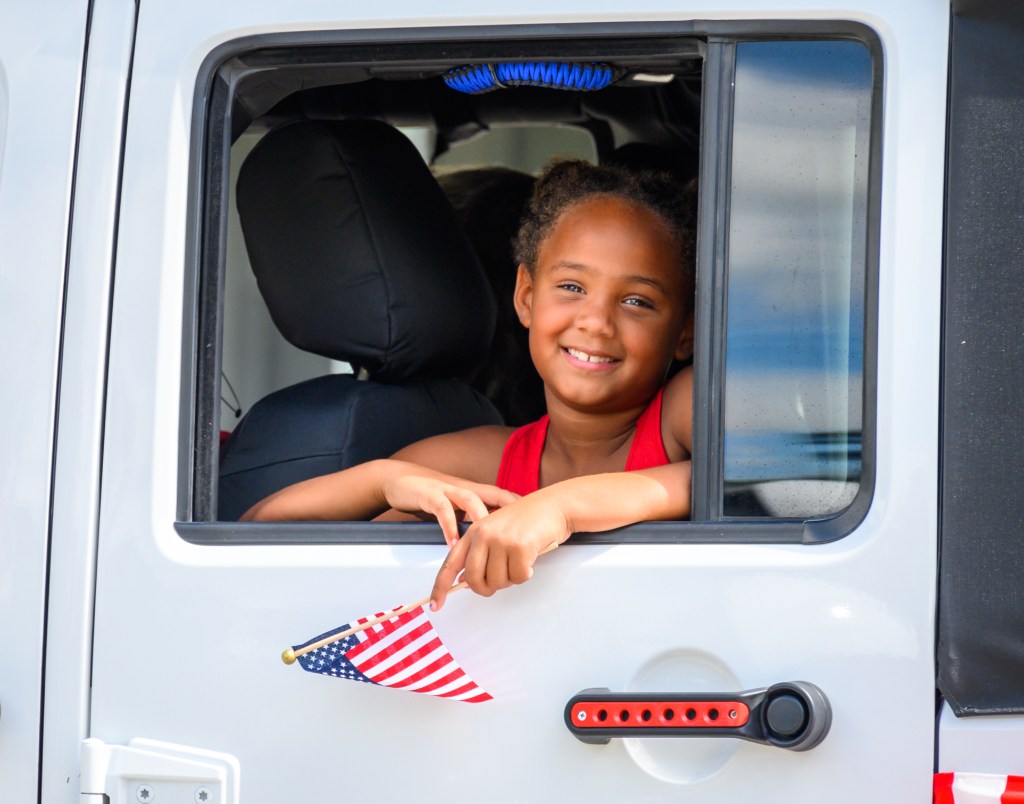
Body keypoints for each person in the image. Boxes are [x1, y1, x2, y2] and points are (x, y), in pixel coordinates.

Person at [242, 159, 697, 612]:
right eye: (572, 287)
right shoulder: (476, 463)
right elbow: (253, 538)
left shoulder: (687, 408)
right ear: (526, 297)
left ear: (686, 331)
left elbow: (749, 481)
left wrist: (558, 509)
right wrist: (380, 480)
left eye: (637, 301)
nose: (596, 323)